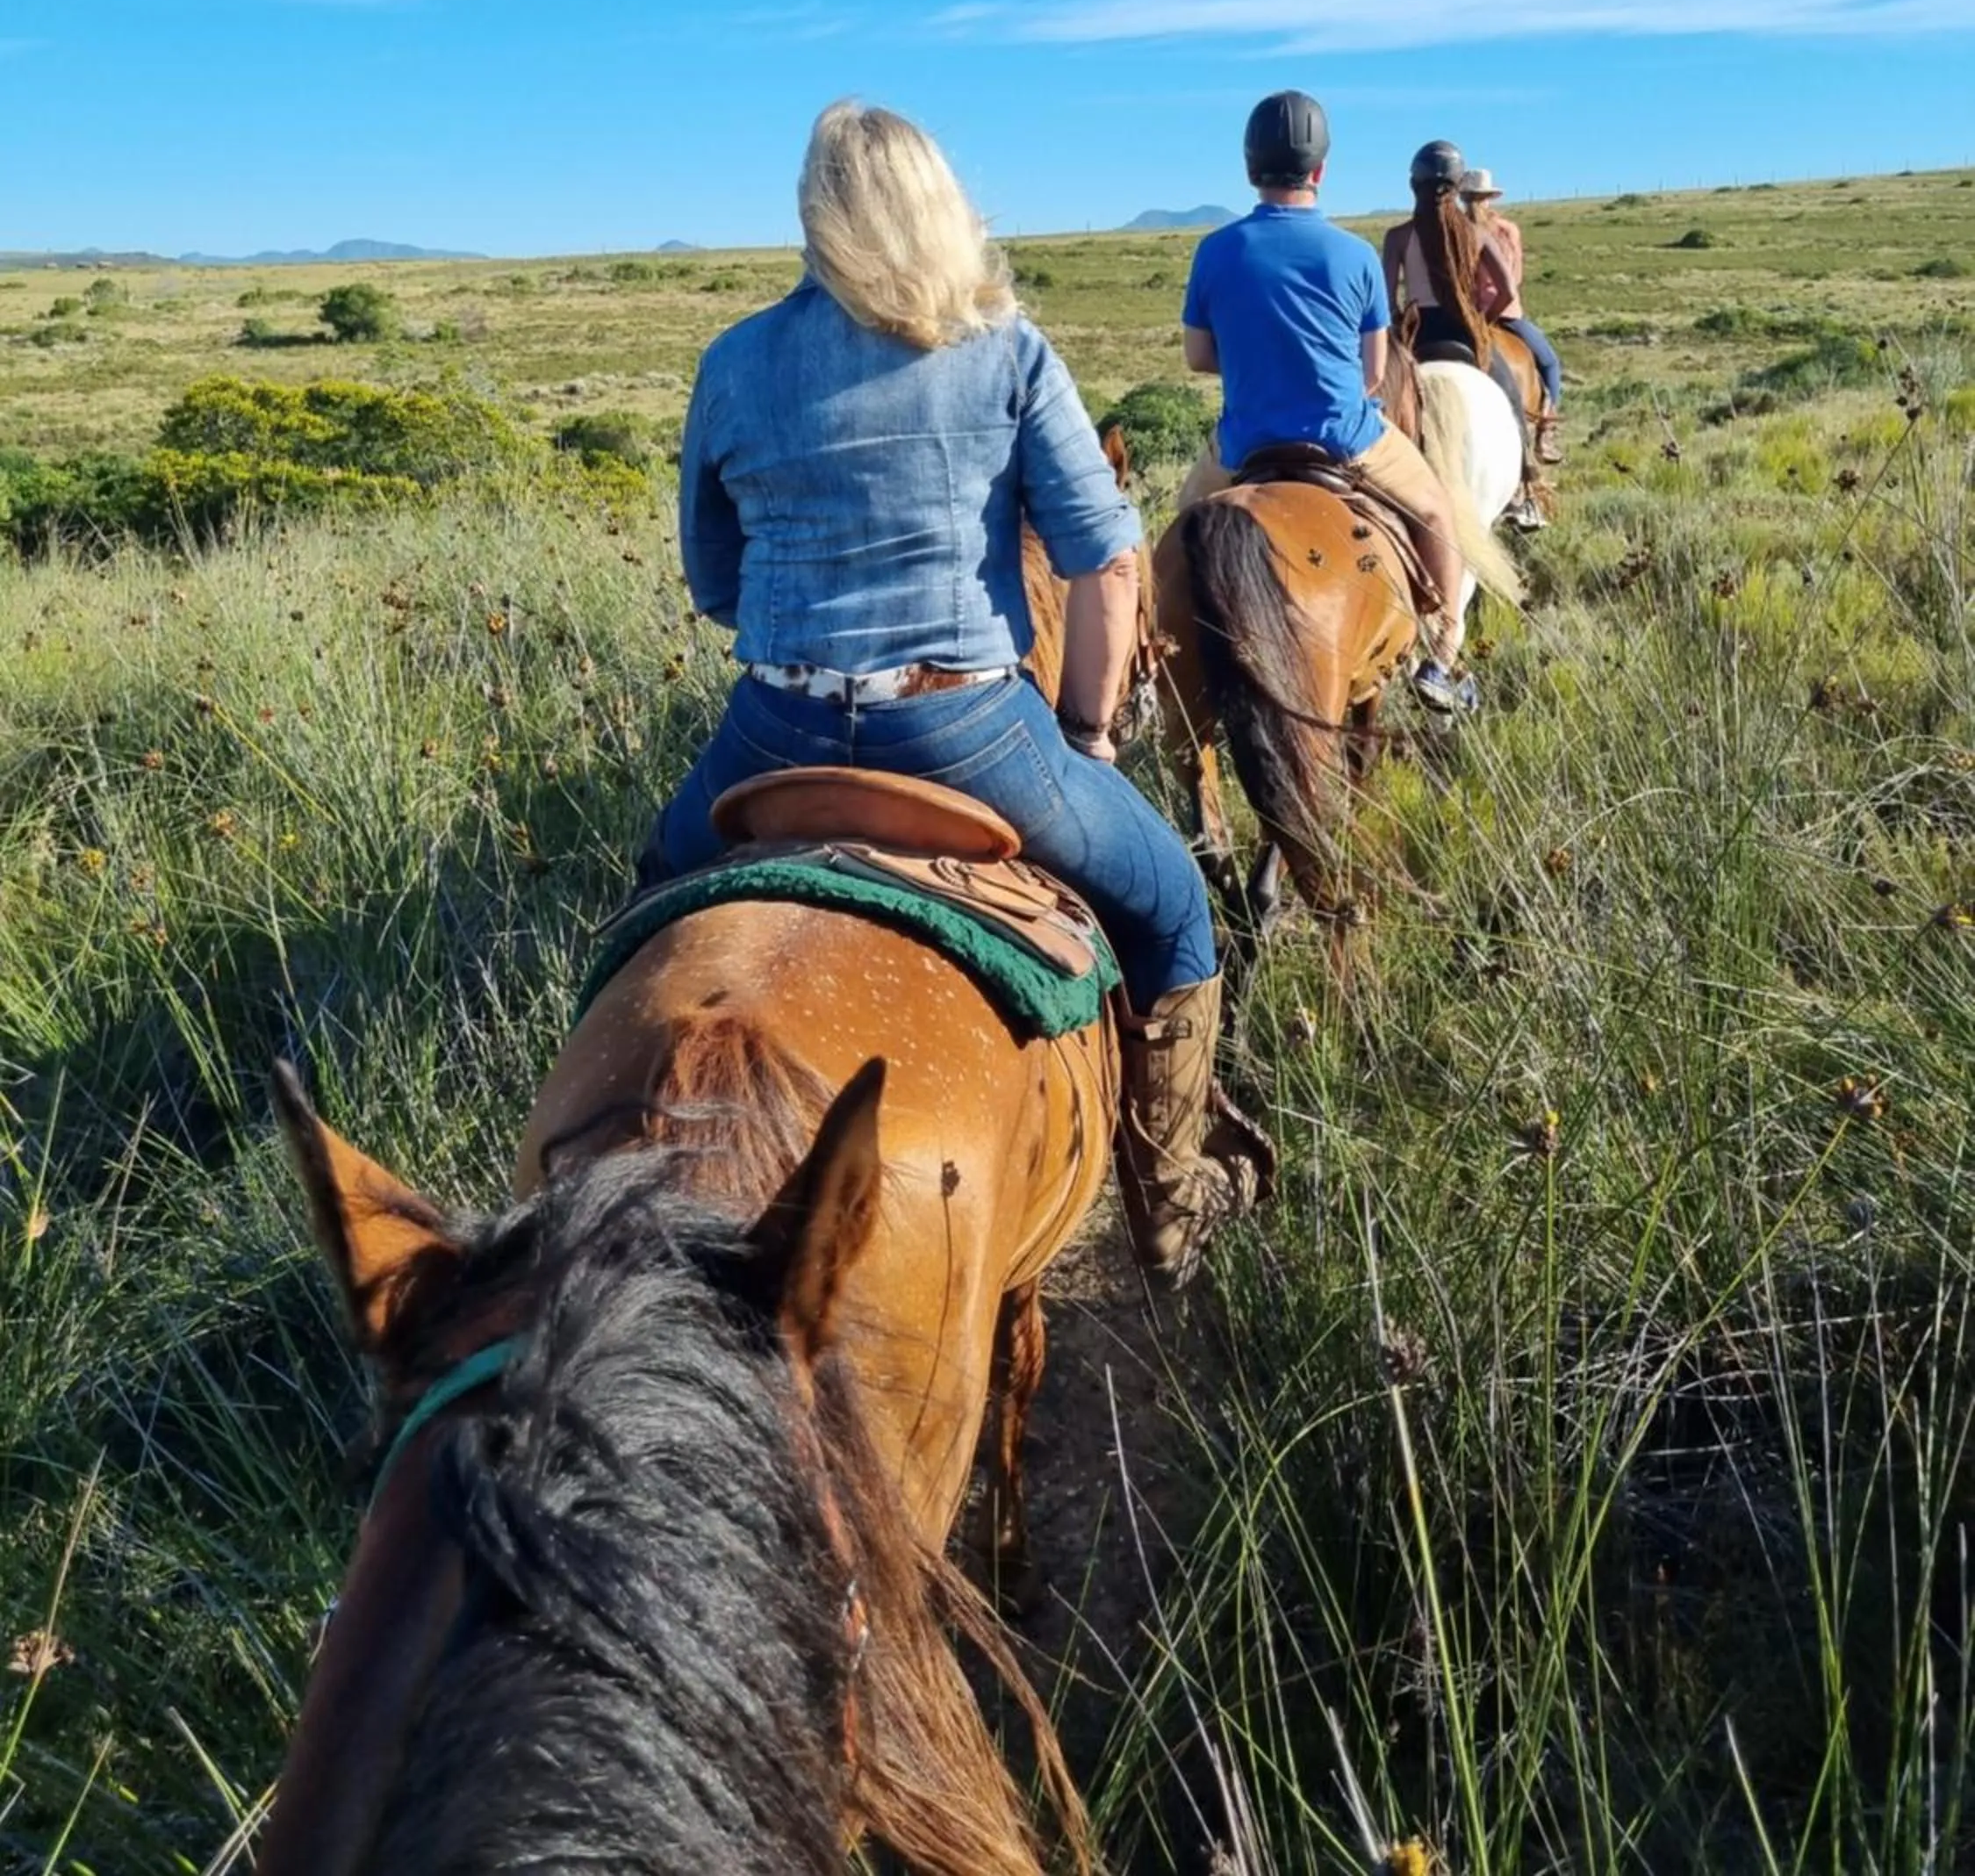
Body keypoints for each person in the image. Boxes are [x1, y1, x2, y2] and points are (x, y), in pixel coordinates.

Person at [641, 98, 1264, 1283]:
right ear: (942, 207)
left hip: (770, 732)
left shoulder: (732, 362)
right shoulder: (1005, 350)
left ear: (816, 216)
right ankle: (1171, 1195)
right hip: (967, 730)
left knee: (648, 897)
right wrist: (1084, 731)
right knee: (1175, 910)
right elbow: (1104, 559)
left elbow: (712, 582)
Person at [1177, 90, 1481, 715]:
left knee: (1179, 534)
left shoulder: (1215, 250)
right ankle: (1444, 657)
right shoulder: (1355, 254)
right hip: (1346, 440)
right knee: (1436, 511)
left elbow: (1198, 358)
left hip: (1244, 444)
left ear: (1248, 168)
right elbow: (1373, 373)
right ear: (1320, 170)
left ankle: (1161, 657)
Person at [1380, 140, 1545, 530]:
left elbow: (1386, 298)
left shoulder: (1398, 237)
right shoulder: (1477, 234)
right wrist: (1479, 318)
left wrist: (1400, 325)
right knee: (1508, 394)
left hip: (1419, 336)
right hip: (1465, 334)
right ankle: (1525, 488)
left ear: (1413, 185)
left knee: (1381, 401)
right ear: (1457, 186)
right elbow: (1507, 290)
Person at [1459, 164, 1562, 463]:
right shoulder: (1506, 231)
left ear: (1463, 198)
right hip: (1506, 313)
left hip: (1470, 315)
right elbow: (1513, 278)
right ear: (1490, 197)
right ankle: (1546, 432)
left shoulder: (1456, 232)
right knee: (1550, 364)